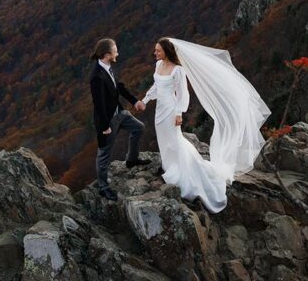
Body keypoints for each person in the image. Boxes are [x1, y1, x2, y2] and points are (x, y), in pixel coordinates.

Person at [141, 38, 270, 212]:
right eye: (155, 50)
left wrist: (179, 113)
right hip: (160, 110)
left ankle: (185, 172)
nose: (155, 53)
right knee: (163, 139)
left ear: (167, 51)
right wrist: (145, 99)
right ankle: (170, 165)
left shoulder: (178, 70)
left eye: (158, 50)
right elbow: (156, 87)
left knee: (175, 139)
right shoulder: (158, 66)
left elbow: (183, 94)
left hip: (171, 109)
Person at [89, 38, 150, 201]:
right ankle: (103, 187)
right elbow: (98, 103)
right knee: (104, 154)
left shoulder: (108, 68)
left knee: (139, 128)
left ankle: (132, 159)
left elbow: (119, 87)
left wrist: (135, 101)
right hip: (107, 120)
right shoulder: (97, 76)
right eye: (115, 50)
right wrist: (104, 126)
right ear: (107, 54)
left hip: (119, 114)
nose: (118, 53)